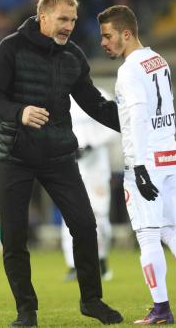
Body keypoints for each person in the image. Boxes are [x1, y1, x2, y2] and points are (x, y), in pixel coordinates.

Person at [0, 0, 123, 327]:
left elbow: (94, 104)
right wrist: (19, 112)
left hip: (57, 154)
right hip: (14, 155)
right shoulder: (10, 48)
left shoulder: (73, 56)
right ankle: (26, 311)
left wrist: (132, 123)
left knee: (86, 226)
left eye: (73, 20)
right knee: (14, 237)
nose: (69, 26)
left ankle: (92, 301)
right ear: (43, 17)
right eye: (62, 19)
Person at [98, 5, 176, 325]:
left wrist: (137, 165)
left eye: (108, 36)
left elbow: (136, 115)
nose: (103, 43)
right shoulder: (157, 59)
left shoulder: (128, 70)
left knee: (148, 236)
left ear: (126, 33)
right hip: (169, 154)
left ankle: (161, 308)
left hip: (146, 158)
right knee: (169, 229)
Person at [61, 88, 117, 282]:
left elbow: (115, 126)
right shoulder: (58, 96)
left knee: (99, 215)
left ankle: (101, 260)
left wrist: (92, 144)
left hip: (96, 169)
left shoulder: (99, 94)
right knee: (68, 214)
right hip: (69, 166)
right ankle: (72, 264)